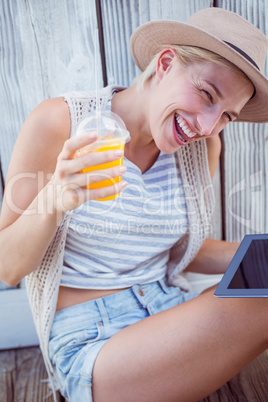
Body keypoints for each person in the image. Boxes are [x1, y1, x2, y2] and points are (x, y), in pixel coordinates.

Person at [0, 7, 268, 402]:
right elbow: (7, 268)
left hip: (167, 309)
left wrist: (259, 256)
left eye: (226, 115)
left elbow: (183, 250)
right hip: (92, 338)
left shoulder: (202, 149)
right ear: (165, 63)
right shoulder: (61, 123)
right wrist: (55, 197)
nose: (208, 126)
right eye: (207, 95)